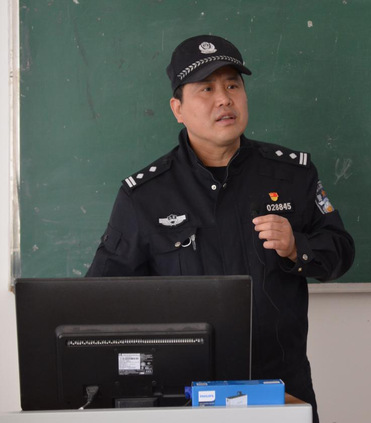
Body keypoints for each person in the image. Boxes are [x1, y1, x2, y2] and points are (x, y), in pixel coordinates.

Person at [86, 34, 355, 423]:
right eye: (206, 89)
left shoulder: (292, 174)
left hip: (281, 390)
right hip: (182, 399)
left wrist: (297, 247)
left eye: (232, 86)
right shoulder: (145, 196)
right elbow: (99, 301)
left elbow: (340, 252)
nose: (224, 99)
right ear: (177, 108)